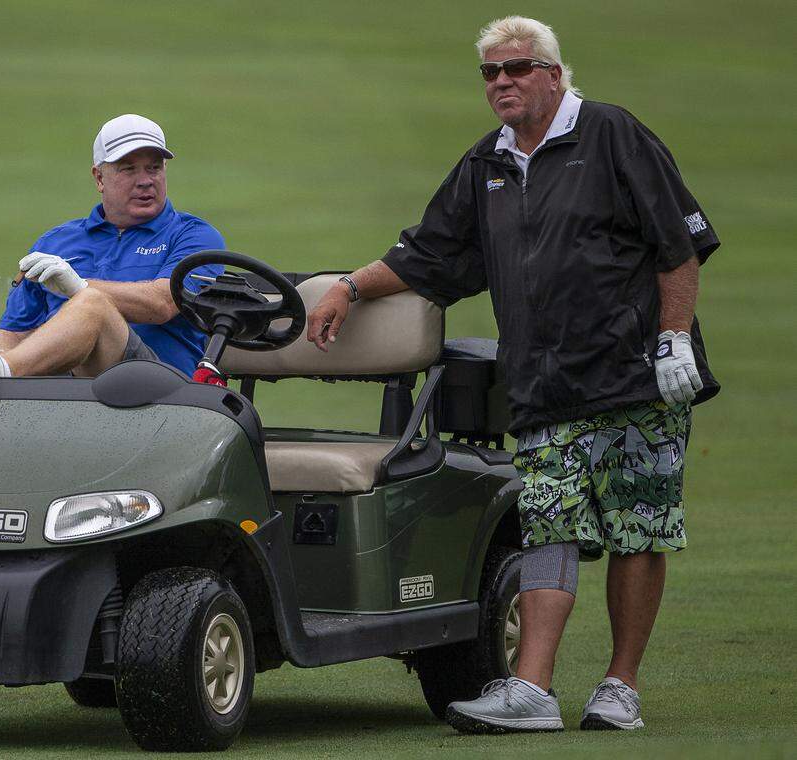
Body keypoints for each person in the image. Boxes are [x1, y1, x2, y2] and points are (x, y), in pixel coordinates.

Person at [306, 16, 719, 733]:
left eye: (518, 69)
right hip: (544, 385)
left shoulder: (613, 134)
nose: (503, 82)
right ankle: (532, 689)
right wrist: (350, 285)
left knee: (638, 529)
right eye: (491, 73)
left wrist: (674, 338)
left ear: (553, 75)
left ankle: (620, 687)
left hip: (634, 376)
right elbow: (429, 253)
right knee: (548, 528)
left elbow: (678, 246)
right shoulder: (486, 164)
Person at [0, 113, 224, 381]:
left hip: (164, 392)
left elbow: (161, 305)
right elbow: (12, 335)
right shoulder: (55, 243)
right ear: (99, 178)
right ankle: (1, 379)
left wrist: (78, 285)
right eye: (128, 169)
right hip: (64, 389)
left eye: (154, 168)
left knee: (92, 305)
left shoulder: (195, 236)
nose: (145, 181)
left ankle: (5, 377)